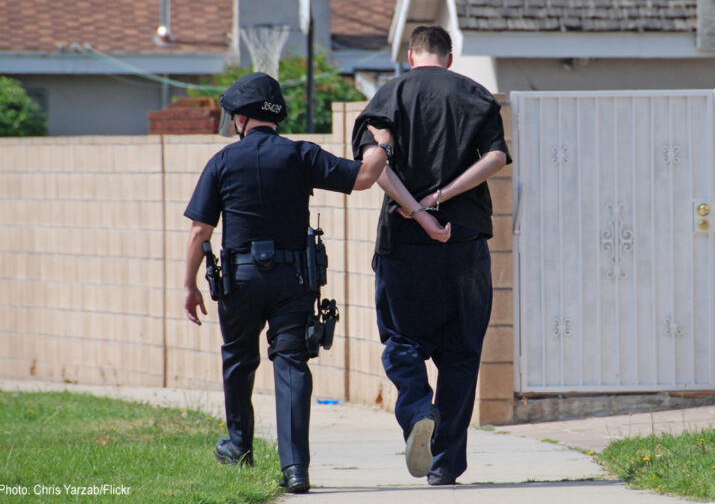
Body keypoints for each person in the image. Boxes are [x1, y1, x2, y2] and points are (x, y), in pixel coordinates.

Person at [183, 72, 392, 493]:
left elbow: (199, 232)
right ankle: (296, 469)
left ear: (241, 118)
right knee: (292, 365)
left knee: (239, 361)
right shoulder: (300, 154)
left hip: (239, 282)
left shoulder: (222, 162)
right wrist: (383, 140)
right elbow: (366, 176)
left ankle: (239, 447)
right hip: (293, 280)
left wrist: (188, 285)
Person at [351, 25, 511, 485]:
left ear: (410, 54)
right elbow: (496, 159)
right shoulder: (476, 96)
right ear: (449, 56)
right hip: (464, 241)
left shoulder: (389, 96)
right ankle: (444, 465)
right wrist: (441, 197)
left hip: (404, 244)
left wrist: (418, 212)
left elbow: (373, 165)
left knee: (401, 341)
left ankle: (420, 409)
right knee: (461, 354)